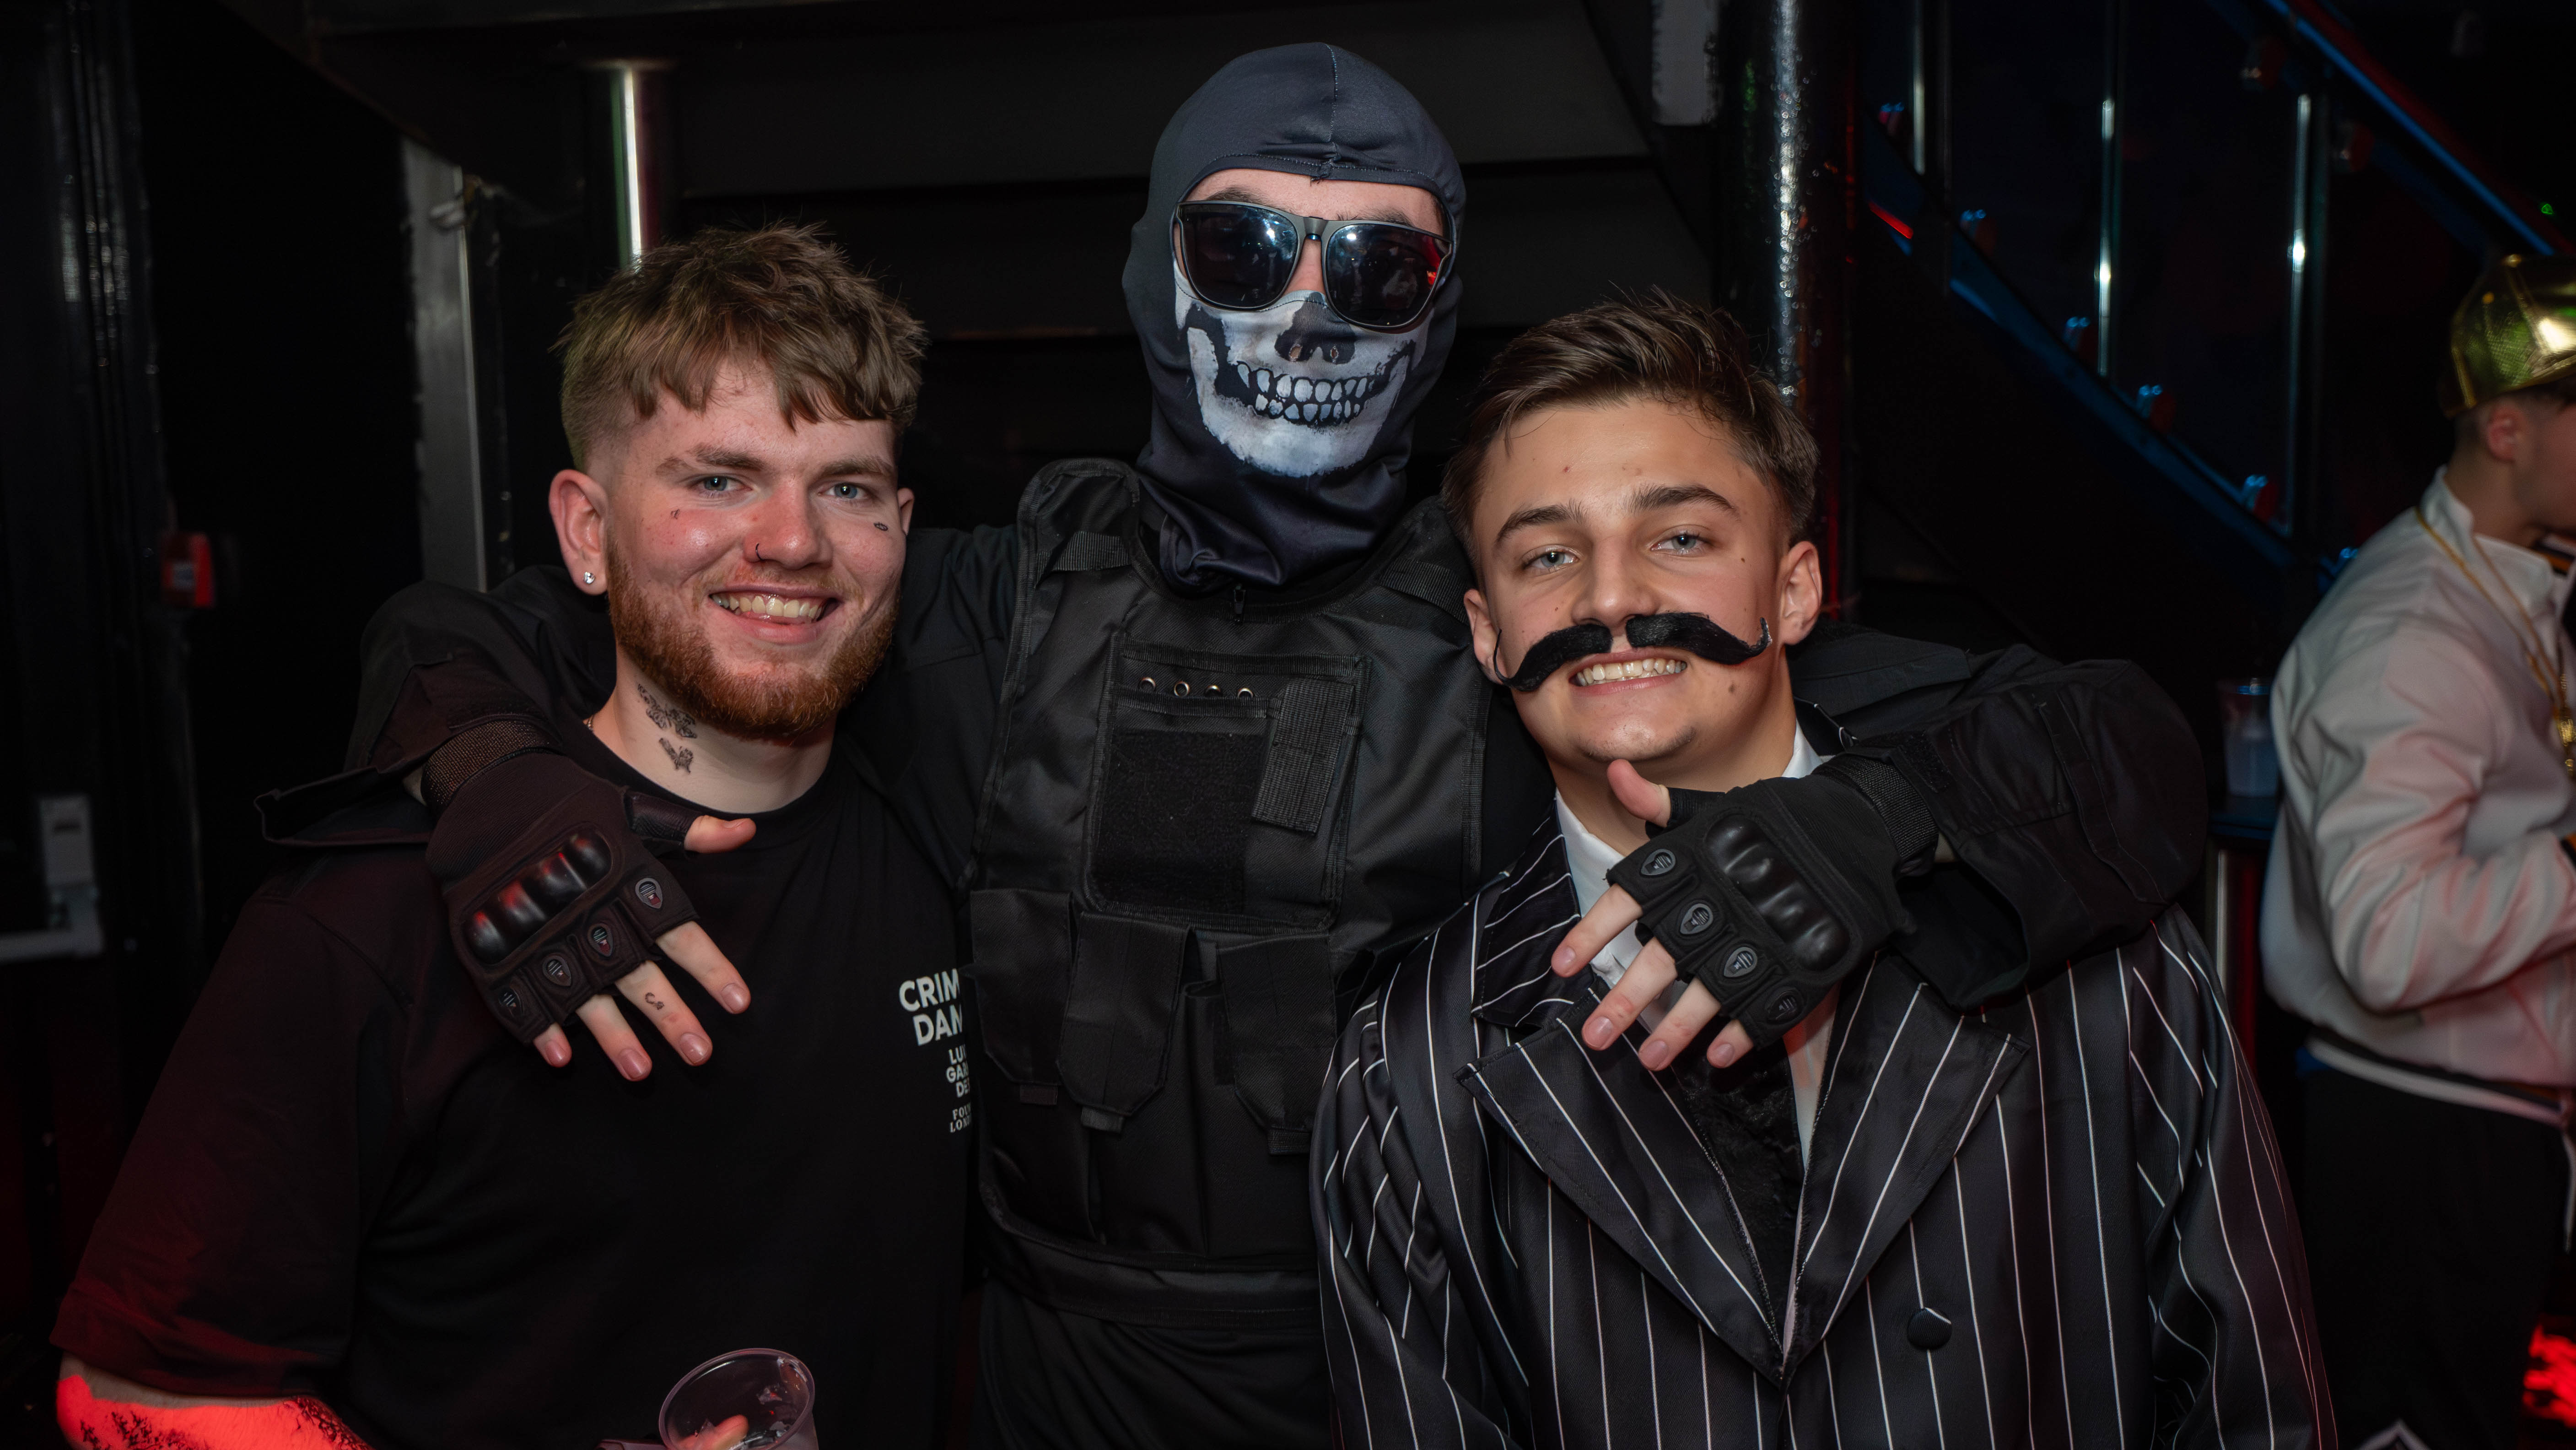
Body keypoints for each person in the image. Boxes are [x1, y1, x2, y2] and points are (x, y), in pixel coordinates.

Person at [339, 48, 2210, 1450]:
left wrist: (1873, 822)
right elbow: (497, 620)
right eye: (1246, 248)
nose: (1310, 308)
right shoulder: (998, 603)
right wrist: (492, 766)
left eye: (1378, 271)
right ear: (1160, 270)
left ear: (1438, 306)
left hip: (1426, 1367)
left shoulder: (1514, 619)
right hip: (1044, 1377)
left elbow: (2109, 734)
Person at [1315, 295, 2329, 1447]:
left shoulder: (2076, 932)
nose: (1610, 599)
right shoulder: (1410, 1057)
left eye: (1680, 539)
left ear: (1793, 592)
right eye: (1548, 556)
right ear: (1489, 631)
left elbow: (2252, 1403)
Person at [51, 225, 971, 1450]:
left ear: (900, 527)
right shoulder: (378, 916)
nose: (793, 541)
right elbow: (134, 1391)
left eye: (845, 488)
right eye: (717, 479)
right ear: (587, 531)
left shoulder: (952, 848)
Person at [2265, 250, 2576, 1450]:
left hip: (2470, 1123)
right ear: (2505, 428)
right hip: (2419, 1142)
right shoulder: (2411, 632)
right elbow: (2388, 943)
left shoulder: (2502, 591)